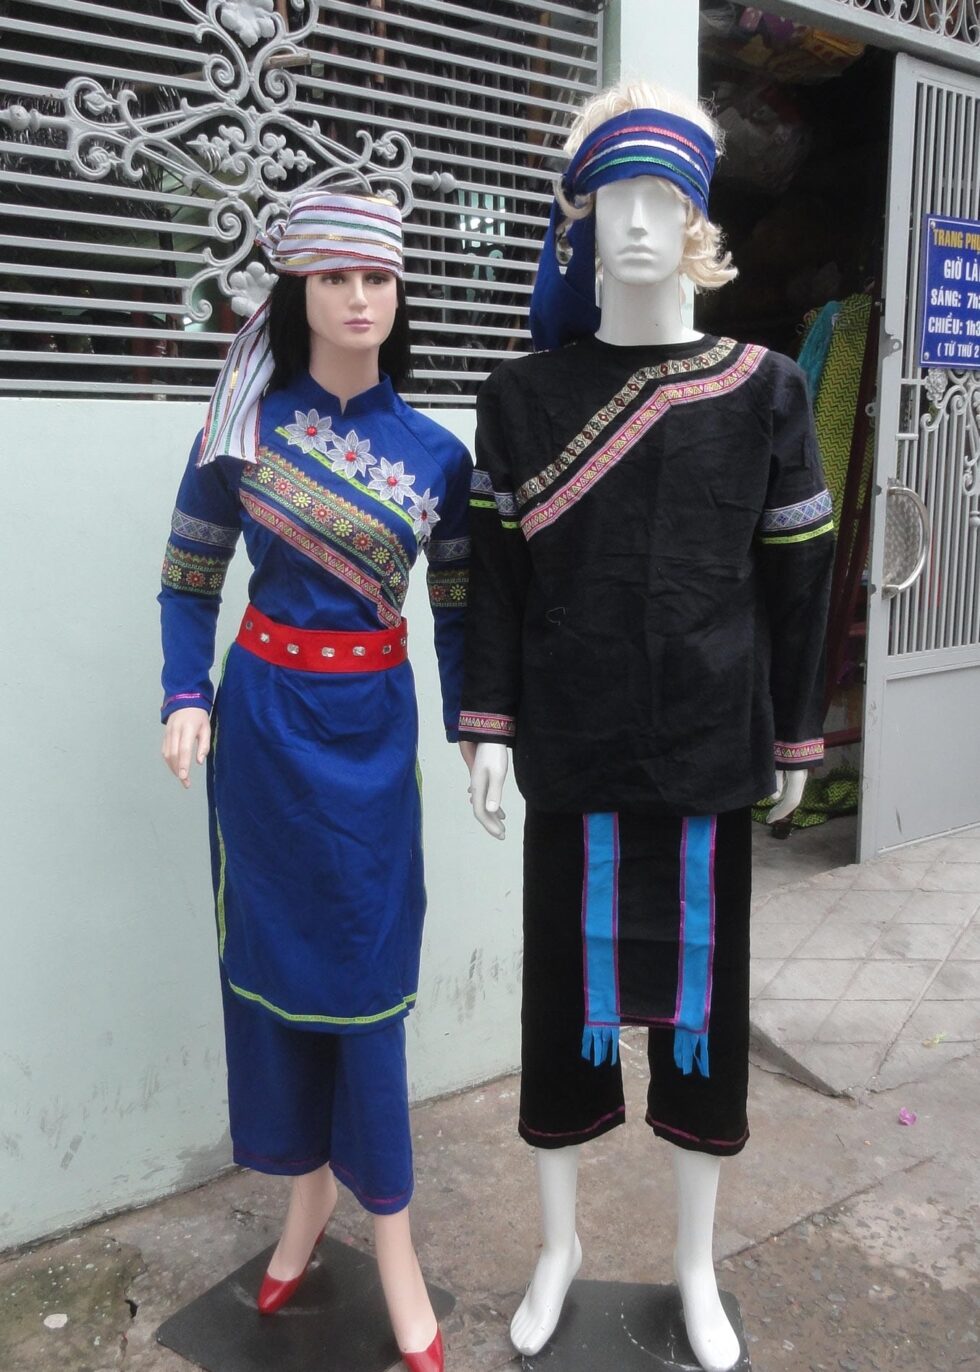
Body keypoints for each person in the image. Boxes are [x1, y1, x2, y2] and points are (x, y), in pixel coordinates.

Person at [459, 82, 833, 1372]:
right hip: (569, 749)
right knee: (556, 1002)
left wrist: (794, 735)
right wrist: (485, 725)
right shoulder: (519, 397)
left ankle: (692, 1262)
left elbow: (797, 582)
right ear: (576, 221)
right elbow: (491, 579)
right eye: (610, 196)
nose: (633, 221)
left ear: (694, 222)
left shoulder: (764, 389)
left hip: (707, 751)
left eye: (659, 197)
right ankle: (556, 1245)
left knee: (702, 1019)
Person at [159, 189, 471, 1372]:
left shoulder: (438, 456)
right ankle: (306, 1196)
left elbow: (459, 610)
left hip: (373, 736)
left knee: (367, 976)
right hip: (262, 734)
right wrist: (184, 695)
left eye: (377, 277)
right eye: (334, 277)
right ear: (297, 291)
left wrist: (477, 729)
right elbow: (188, 581)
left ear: (399, 291)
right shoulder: (239, 432)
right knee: (277, 972)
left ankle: (390, 1234)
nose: (358, 298)